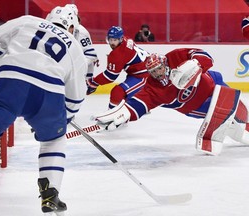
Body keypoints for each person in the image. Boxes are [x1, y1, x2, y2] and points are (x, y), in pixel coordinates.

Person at [0, 6, 87, 215]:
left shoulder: (27, 21)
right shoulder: (74, 46)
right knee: (54, 139)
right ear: (72, 27)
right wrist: (58, 120)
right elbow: (74, 100)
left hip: (10, 85)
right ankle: (50, 192)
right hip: (49, 96)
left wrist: (9, 48)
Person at [91, 48, 249, 156]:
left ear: (164, 63)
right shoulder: (152, 88)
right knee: (229, 118)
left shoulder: (175, 56)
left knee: (240, 109)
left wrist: (195, 63)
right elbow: (137, 105)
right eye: (152, 72)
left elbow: (205, 56)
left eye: (158, 69)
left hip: (213, 81)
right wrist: (123, 113)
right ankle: (235, 131)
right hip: (196, 105)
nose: (157, 74)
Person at [86, 26, 150, 109]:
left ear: (120, 39)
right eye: (110, 39)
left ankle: (112, 116)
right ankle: (132, 108)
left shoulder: (118, 54)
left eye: (115, 40)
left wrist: (94, 83)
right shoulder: (127, 40)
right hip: (140, 71)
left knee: (118, 92)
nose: (112, 43)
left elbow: (110, 77)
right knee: (124, 92)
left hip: (145, 75)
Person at [65, 4, 99, 79]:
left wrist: (76, 67)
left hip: (82, 76)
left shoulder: (80, 31)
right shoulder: (66, 29)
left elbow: (91, 55)